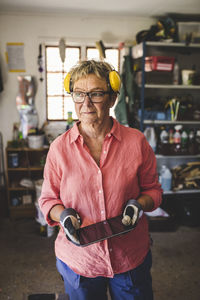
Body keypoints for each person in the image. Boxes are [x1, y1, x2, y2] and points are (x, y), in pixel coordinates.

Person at [39, 59, 162, 300]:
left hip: (129, 257)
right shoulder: (59, 149)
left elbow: (154, 191)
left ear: (112, 98)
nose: (86, 103)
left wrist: (140, 204)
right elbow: (47, 200)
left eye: (95, 94)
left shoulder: (136, 142)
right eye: (79, 94)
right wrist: (61, 215)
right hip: (80, 261)